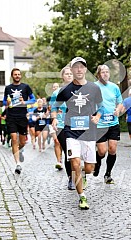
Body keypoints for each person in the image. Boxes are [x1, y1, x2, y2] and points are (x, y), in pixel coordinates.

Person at [52, 56, 104, 210]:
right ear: (72, 70)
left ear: (85, 70)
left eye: (82, 67)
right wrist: (54, 119)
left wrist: (98, 116)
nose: (79, 70)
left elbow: (101, 107)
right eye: (76, 67)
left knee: (89, 168)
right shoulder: (65, 90)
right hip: (71, 131)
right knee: (75, 163)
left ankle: (84, 175)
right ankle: (82, 197)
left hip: (89, 132)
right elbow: (55, 107)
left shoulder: (94, 88)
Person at [93, 64, 123, 184]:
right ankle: (98, 161)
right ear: (98, 74)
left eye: (107, 72)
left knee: (112, 149)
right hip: (100, 124)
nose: (105, 74)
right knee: (102, 151)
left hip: (113, 122)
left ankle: (108, 174)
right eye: (103, 72)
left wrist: (118, 109)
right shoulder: (94, 87)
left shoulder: (114, 87)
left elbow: (120, 102)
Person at [3, 68, 36, 174]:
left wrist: (24, 101)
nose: (17, 76)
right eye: (15, 74)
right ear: (12, 76)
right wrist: (7, 102)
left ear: (20, 76)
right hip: (11, 116)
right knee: (13, 138)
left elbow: (33, 100)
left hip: (22, 117)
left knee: (22, 142)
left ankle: (19, 150)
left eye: (18, 74)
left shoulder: (25, 87)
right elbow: (4, 101)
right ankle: (18, 164)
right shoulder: (8, 88)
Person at [53, 66, 75, 189]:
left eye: (71, 73)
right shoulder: (57, 92)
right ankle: (71, 178)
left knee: (78, 152)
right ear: (63, 76)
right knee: (69, 151)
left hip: (77, 124)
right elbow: (54, 108)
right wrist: (55, 118)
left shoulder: (79, 90)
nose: (69, 75)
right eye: (66, 74)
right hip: (62, 125)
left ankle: (79, 173)